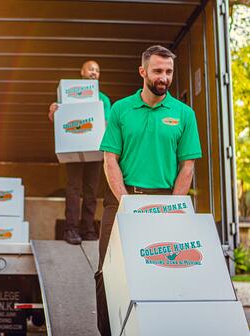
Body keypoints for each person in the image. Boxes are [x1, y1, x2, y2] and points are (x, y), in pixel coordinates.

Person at [94, 45, 202, 335]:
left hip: (165, 201)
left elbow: (187, 166)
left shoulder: (184, 114)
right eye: (157, 70)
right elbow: (110, 160)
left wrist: (174, 207)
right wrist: (127, 203)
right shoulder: (121, 109)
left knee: (163, 273)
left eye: (168, 71)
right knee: (108, 272)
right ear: (143, 71)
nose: (163, 77)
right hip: (120, 202)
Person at [48, 60, 112, 245]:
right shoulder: (68, 95)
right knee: (73, 188)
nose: (94, 72)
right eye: (91, 69)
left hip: (94, 149)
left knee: (91, 190)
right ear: (82, 72)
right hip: (74, 148)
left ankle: (88, 229)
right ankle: (71, 229)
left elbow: (106, 123)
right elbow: (57, 118)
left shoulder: (103, 99)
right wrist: (53, 111)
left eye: (97, 70)